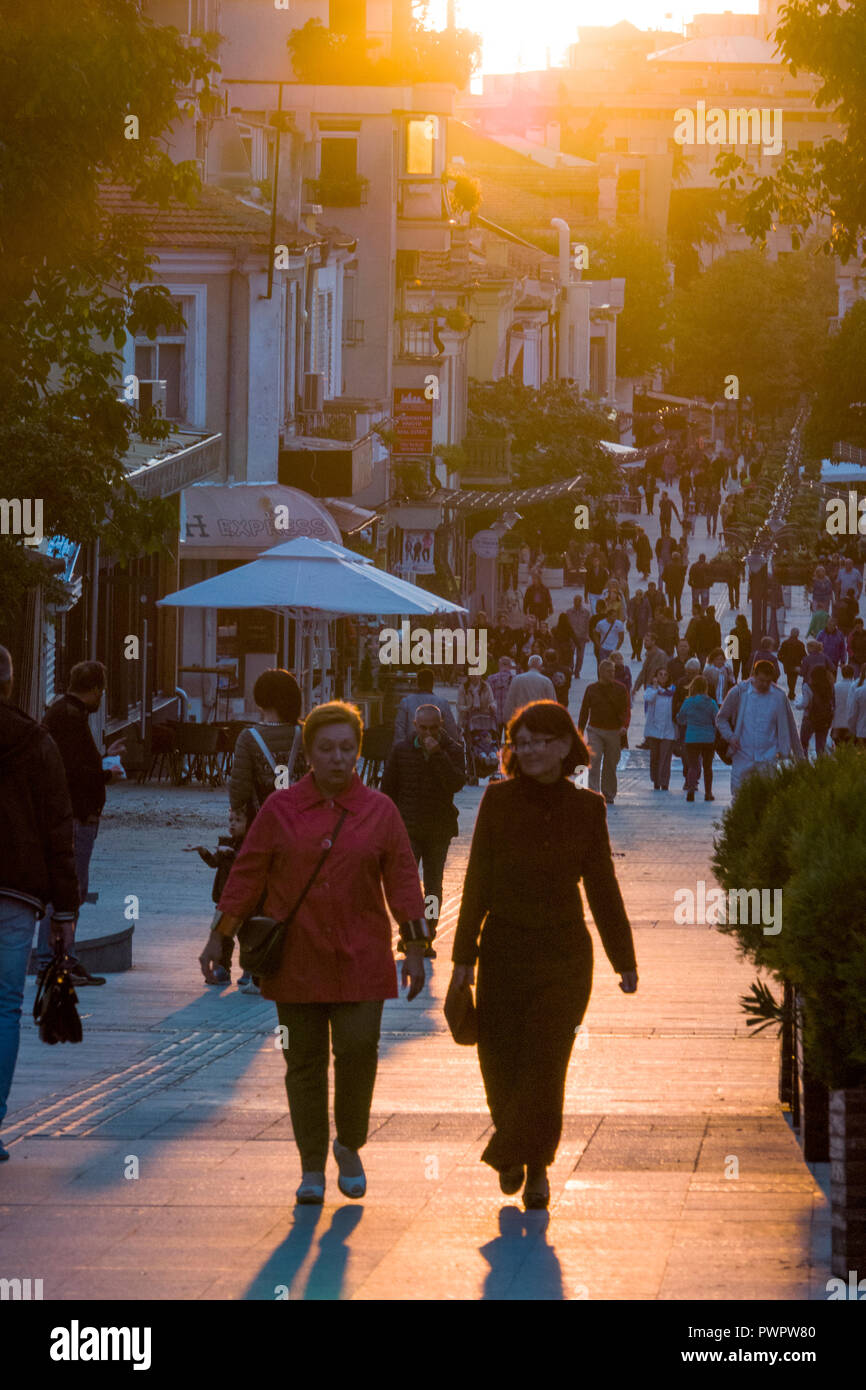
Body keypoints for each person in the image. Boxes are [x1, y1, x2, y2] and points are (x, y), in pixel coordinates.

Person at [201, 701, 431, 1205]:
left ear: (358, 750)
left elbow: (402, 878)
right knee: (302, 1063)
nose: (337, 758)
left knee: (357, 1052)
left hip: (362, 959)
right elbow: (247, 875)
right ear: (308, 753)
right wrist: (219, 936)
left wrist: (415, 946)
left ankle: (348, 1144)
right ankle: (310, 1167)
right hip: (297, 961)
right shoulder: (280, 810)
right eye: (326, 748)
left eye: (347, 748)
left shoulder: (380, 810)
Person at [450, 700, 637, 1208]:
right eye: (520, 741)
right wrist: (462, 956)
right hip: (504, 951)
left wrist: (624, 958)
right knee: (500, 1063)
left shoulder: (587, 807)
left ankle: (533, 1165)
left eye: (540, 740)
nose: (528, 750)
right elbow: (477, 882)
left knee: (545, 1064)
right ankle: (515, 1145)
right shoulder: (497, 800)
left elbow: (602, 885)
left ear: (564, 745)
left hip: (563, 956)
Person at [0, 646, 79, 1162]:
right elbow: (58, 828)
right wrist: (64, 910)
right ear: (9, 682)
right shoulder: (36, 741)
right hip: (17, 893)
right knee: (4, 1005)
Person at [35, 660, 126, 985]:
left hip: (73, 815)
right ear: (97, 689)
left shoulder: (65, 713)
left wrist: (104, 759)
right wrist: (105, 773)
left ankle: (61, 958)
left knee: (69, 889)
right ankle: (57, 960)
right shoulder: (70, 718)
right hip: (75, 817)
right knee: (68, 889)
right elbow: (72, 772)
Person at [381, 704, 466, 959]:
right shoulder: (401, 750)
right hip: (408, 827)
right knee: (407, 886)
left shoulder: (452, 750)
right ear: (415, 726)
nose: (428, 733)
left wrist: (438, 753)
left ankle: (428, 934)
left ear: (440, 726)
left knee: (432, 887)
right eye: (424, 728)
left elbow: (456, 782)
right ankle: (409, 936)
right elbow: (388, 790)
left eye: (434, 728)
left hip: (439, 828)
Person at [189, 807, 262, 993]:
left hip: (244, 901)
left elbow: (248, 865)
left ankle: (249, 970)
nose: (232, 824)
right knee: (224, 937)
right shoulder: (226, 843)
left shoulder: (250, 845)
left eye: (237, 820)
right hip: (224, 899)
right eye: (230, 820)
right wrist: (203, 851)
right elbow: (214, 863)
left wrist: (231, 854)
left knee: (246, 936)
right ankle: (223, 969)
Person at [716, 661, 805, 796]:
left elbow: (791, 728)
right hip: (742, 754)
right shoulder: (739, 692)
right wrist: (730, 736)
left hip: (768, 758)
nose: (764, 684)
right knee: (738, 797)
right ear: (753, 675)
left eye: (768, 681)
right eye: (761, 680)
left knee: (767, 797)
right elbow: (720, 718)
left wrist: (800, 759)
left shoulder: (779, 696)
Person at [229, 669, 305, 815]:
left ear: (260, 698)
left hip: (265, 821)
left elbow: (239, 793)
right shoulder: (307, 734)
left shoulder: (248, 738)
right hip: (304, 821)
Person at [577, 660, 628, 805]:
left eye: (613, 671)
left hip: (614, 731)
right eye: (609, 671)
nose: (612, 674)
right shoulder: (591, 689)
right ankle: (593, 792)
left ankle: (609, 793)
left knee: (611, 764)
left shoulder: (620, 689)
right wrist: (580, 731)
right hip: (595, 730)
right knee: (594, 759)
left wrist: (624, 726)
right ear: (601, 672)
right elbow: (584, 710)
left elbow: (625, 710)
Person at [676, 675, 718, 802]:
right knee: (708, 767)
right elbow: (717, 719)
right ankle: (708, 793)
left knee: (693, 766)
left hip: (692, 737)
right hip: (708, 738)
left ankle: (691, 790)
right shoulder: (711, 702)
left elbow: (680, 717)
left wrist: (687, 722)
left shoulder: (688, 702)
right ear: (705, 687)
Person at [392, 670, 459, 745]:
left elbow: (399, 729)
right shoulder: (442, 703)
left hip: (411, 748)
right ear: (432, 684)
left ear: (417, 683)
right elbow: (451, 730)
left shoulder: (406, 702)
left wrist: (401, 750)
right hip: (436, 748)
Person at [643, 667, 677, 791]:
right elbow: (648, 698)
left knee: (665, 758)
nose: (663, 677)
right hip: (654, 730)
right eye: (660, 674)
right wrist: (656, 687)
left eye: (665, 674)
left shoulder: (672, 691)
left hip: (668, 730)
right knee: (654, 757)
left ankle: (664, 781)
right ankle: (655, 780)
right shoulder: (651, 690)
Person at [504, 654, 556, 722]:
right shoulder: (546, 681)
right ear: (541, 666)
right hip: (540, 719)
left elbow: (510, 701)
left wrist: (507, 719)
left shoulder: (517, 679)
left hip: (521, 718)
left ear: (528, 665)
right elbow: (552, 702)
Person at [797, 664, 834, 758]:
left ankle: (804, 765)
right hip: (825, 719)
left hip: (809, 718)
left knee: (803, 744)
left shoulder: (807, 686)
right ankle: (820, 766)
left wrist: (797, 705)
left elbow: (805, 703)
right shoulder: (829, 686)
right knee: (820, 746)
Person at [487, 656, 515, 736]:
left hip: (495, 716)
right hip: (510, 716)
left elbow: (488, 698)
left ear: (499, 665)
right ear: (510, 666)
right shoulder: (515, 679)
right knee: (509, 743)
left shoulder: (491, 679)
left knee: (495, 742)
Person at [565, 595, 591, 676]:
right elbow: (566, 624)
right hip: (572, 637)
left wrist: (587, 636)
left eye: (578, 601)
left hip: (581, 637)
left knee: (580, 656)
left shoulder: (586, 612)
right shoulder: (569, 612)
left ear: (581, 602)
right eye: (575, 601)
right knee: (570, 654)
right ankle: (571, 668)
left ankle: (577, 671)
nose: (577, 603)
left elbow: (588, 625)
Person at [593, 605, 626, 669]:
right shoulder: (601, 624)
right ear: (608, 616)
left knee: (613, 667)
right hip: (603, 648)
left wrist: (617, 647)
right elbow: (595, 633)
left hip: (613, 649)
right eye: (613, 616)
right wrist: (598, 644)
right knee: (603, 666)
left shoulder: (619, 624)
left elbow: (621, 637)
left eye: (616, 616)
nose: (615, 618)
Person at [831, 664, 856, 746]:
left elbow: (831, 703)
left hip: (837, 721)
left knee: (838, 747)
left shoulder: (835, 687)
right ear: (853, 674)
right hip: (851, 723)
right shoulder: (855, 687)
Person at [778, 628, 806, 701]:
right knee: (794, 679)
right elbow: (804, 655)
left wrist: (784, 661)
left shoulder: (785, 643)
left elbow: (779, 655)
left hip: (788, 664)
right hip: (796, 664)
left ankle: (791, 692)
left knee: (789, 678)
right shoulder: (800, 644)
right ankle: (792, 692)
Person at [627, 589, 652, 661]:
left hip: (642, 623)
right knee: (633, 638)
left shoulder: (646, 602)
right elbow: (628, 610)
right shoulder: (631, 601)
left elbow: (649, 610)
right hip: (633, 623)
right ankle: (634, 651)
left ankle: (638, 654)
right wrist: (629, 618)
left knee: (640, 639)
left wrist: (649, 619)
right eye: (637, 594)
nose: (638, 596)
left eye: (640, 594)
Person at [662, 551, 686, 622]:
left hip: (670, 587)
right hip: (678, 587)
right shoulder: (681, 566)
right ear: (678, 558)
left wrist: (668, 581)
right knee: (678, 601)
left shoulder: (668, 565)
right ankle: (678, 616)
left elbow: (663, 576)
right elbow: (683, 577)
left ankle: (671, 616)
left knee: (671, 602)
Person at [728, 614, 751, 682]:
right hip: (745, 654)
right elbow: (750, 643)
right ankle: (744, 682)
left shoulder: (733, 631)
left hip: (736, 653)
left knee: (735, 670)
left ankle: (735, 682)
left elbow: (730, 643)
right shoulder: (748, 631)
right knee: (744, 671)